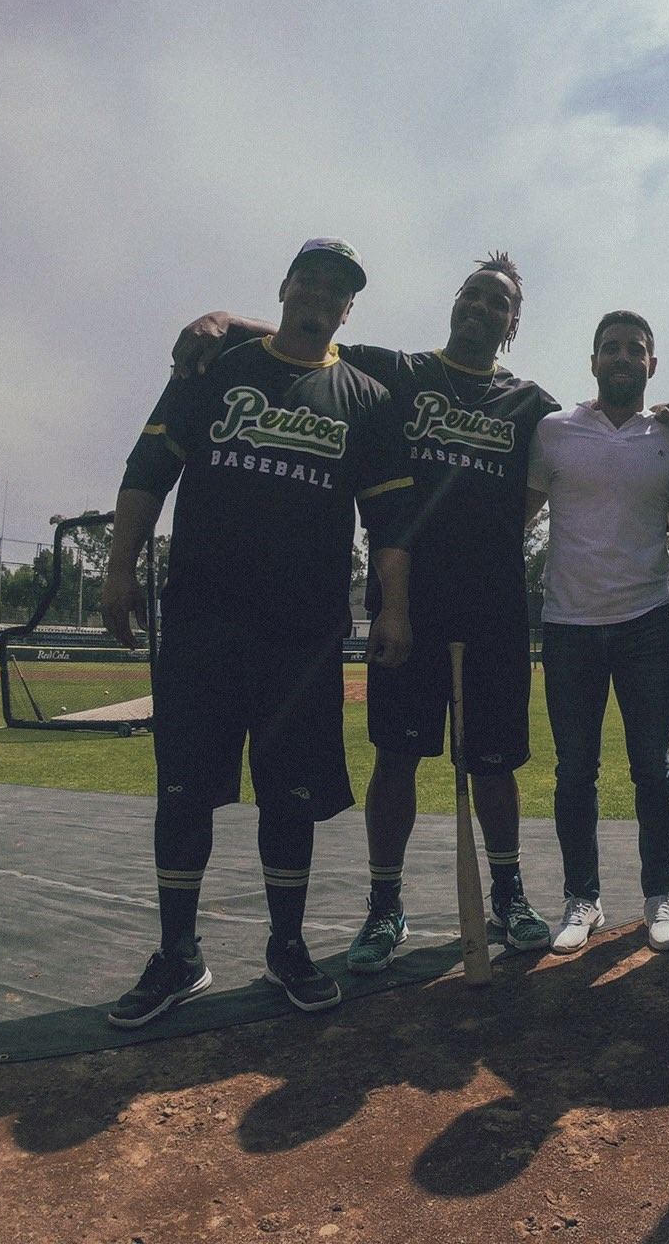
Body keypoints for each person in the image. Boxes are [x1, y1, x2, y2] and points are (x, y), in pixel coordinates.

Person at [170, 252, 561, 970]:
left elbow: (591, 441)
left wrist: (664, 417)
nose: (480, 309)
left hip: (493, 609)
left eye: (496, 304)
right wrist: (225, 322)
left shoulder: (533, 403)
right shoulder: (397, 370)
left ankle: (509, 893)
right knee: (398, 758)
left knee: (494, 764)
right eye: (471, 296)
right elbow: (306, 337)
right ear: (454, 303)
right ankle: (385, 908)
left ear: (512, 324)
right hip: (406, 606)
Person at [103, 238, 415, 1025]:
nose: (319, 293)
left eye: (336, 288)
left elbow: (390, 522)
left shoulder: (367, 397)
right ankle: (178, 956)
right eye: (307, 278)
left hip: (302, 634)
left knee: (289, 797)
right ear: (282, 288)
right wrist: (117, 568)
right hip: (204, 619)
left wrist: (396, 605)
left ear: (350, 308)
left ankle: (287, 948)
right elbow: (147, 472)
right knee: (183, 793)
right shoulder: (214, 371)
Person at [525, 311, 669, 954]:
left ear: (652, 364)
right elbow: (514, 517)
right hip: (568, 624)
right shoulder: (553, 432)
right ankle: (583, 900)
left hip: (647, 622)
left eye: (636, 349)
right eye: (611, 348)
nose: (623, 356)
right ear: (592, 360)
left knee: (652, 768)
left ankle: (660, 896)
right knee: (575, 771)